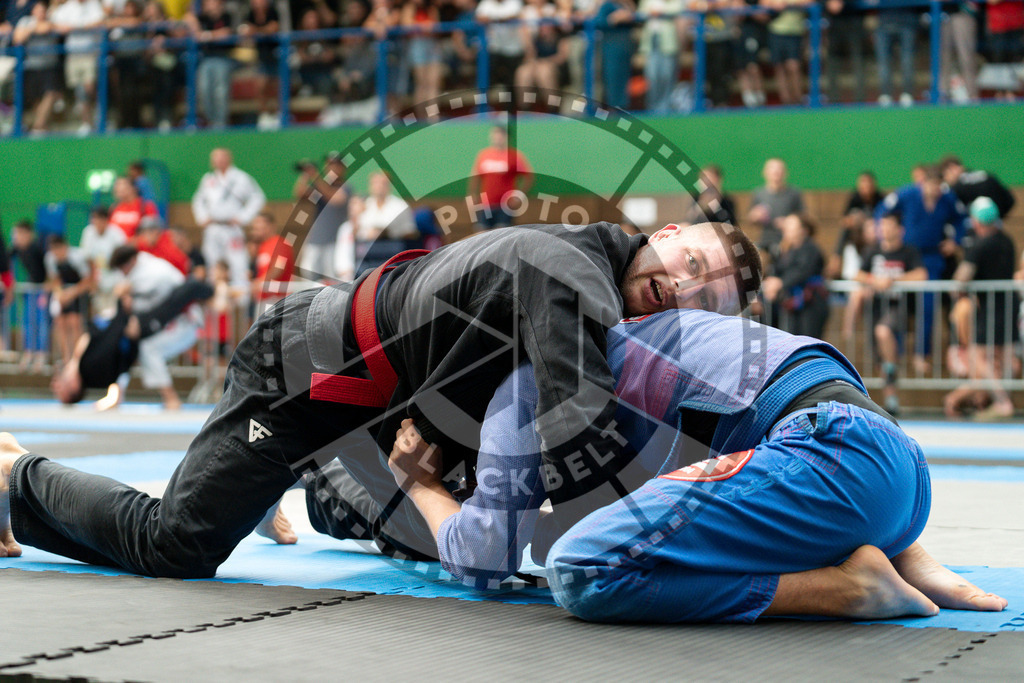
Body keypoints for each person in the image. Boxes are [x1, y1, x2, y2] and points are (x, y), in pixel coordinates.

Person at [0, 221, 762, 576]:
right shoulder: (573, 274)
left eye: (705, 295)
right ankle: (18, 475)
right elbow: (581, 432)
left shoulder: (596, 289)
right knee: (176, 544)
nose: (681, 284)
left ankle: (286, 481)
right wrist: (710, 531)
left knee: (399, 519)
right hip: (302, 374)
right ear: (663, 233)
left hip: (382, 406)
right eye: (689, 258)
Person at [382, 306, 1006, 623]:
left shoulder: (527, 379)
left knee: (582, 568)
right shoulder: (630, 336)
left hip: (831, 462)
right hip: (891, 468)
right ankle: (899, 550)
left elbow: (484, 557)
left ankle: (843, 587)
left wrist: (423, 485)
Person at [50, 272, 214, 408]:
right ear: (74, 387)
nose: (55, 384)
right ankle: (207, 289)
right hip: (132, 330)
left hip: (127, 327)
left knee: (169, 303)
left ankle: (201, 288)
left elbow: (102, 338)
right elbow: (113, 344)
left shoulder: (83, 365)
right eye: (59, 390)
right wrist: (123, 311)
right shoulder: (91, 369)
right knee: (171, 305)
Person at [874, 166, 967, 371]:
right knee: (897, 302)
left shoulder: (947, 197)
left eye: (938, 187)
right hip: (905, 255)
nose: (935, 191)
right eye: (931, 186)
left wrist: (955, 241)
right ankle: (893, 355)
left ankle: (921, 353)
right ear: (923, 183)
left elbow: (962, 219)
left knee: (928, 304)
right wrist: (883, 236)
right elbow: (882, 209)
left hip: (932, 257)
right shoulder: (907, 193)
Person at [944, 197, 1019, 420]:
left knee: (978, 356)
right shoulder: (1007, 241)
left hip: (990, 307)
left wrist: (957, 288)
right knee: (1006, 359)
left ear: (976, 221)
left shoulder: (980, 244)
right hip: (1008, 303)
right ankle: (1003, 399)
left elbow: (961, 279)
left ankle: (1002, 401)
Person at [855, 213, 928, 416]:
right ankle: (891, 399)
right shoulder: (872, 251)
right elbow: (857, 273)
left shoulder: (908, 252)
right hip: (876, 308)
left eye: (890, 226)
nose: (885, 229)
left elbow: (921, 275)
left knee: (883, 331)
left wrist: (894, 281)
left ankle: (890, 367)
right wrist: (873, 280)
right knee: (879, 356)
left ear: (899, 230)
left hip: (899, 307)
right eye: (882, 226)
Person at [191, 148, 267, 294]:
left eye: (221, 157)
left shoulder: (241, 178)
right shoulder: (209, 179)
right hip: (212, 227)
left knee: (238, 264)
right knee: (212, 265)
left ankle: (241, 302)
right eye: (215, 158)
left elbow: (257, 197)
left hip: (232, 228)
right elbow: (198, 200)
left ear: (229, 159)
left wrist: (243, 217)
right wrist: (202, 217)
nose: (218, 161)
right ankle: (215, 300)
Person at [759, 214, 829, 339]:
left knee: (808, 341)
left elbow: (803, 271)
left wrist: (780, 283)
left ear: (803, 230)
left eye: (791, 225)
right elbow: (778, 270)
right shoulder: (787, 250)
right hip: (794, 305)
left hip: (811, 304)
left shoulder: (810, 248)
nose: (786, 228)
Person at [292, 152, 350, 282]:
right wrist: (306, 175)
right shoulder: (320, 187)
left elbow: (335, 199)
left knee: (332, 278)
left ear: (342, 168)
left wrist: (316, 177)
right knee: (308, 276)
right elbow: (300, 194)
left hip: (334, 242)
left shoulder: (345, 187)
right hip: (315, 240)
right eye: (329, 165)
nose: (332, 169)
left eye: (335, 165)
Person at [49, 0, 105, 135]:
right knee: (80, 91)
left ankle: (100, 115)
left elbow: (100, 22)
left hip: (90, 53)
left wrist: (77, 27)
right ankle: (87, 123)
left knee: (89, 87)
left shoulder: (94, 4)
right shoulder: (68, 6)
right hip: (73, 54)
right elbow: (54, 23)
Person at [467, 126, 535, 230]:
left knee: (501, 236)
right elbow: (474, 177)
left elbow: (528, 177)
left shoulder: (514, 156)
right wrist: (472, 196)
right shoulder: (484, 155)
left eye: (500, 135)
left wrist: (518, 196)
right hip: (485, 205)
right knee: (481, 233)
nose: (497, 138)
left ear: (506, 137)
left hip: (504, 205)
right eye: (494, 135)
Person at [187, 0, 235, 128]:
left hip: (222, 58)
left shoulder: (227, 16)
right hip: (206, 59)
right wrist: (210, 35)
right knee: (204, 90)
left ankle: (221, 123)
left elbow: (226, 33)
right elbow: (195, 34)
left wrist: (206, 35)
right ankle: (212, 121)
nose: (210, 4)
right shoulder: (202, 18)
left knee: (221, 91)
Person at [9, 220, 49, 372]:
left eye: (19, 234)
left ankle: (40, 354)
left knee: (40, 323)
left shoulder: (37, 249)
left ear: (28, 234)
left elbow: (48, 272)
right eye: (15, 234)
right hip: (29, 291)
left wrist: (45, 291)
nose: (17, 237)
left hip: (41, 291)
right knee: (27, 322)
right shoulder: (18, 249)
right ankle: (28, 352)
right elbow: (6, 258)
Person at [44, 235, 90, 366]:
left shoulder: (77, 257)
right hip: (64, 295)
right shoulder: (50, 258)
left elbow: (87, 281)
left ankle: (77, 359)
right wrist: (59, 294)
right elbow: (55, 279)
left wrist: (72, 293)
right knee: (60, 324)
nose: (56, 254)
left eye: (58, 250)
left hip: (78, 294)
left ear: (65, 247)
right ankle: (66, 358)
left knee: (75, 323)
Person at [747, 158, 804, 264]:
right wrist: (755, 216)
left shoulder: (794, 194)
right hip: (765, 241)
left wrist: (789, 223)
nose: (776, 173)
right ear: (765, 172)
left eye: (779, 169)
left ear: (785, 173)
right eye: (773, 169)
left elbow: (803, 218)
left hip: (788, 243)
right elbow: (751, 219)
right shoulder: (759, 194)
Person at [637, 0, 683, 114]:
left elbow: (678, 8)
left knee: (667, 74)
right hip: (651, 40)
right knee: (652, 75)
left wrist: (660, 11)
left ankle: (665, 107)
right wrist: (651, 12)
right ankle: (653, 107)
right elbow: (640, 13)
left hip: (668, 41)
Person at [78, 206, 127, 311]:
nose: (97, 222)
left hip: (115, 278)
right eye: (94, 219)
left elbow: (123, 259)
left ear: (106, 220)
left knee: (114, 311)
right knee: (99, 312)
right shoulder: (88, 233)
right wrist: (92, 280)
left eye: (100, 219)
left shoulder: (117, 234)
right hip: (98, 279)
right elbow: (88, 258)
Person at [939, 155, 1016, 220]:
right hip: (994, 224)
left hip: (974, 227)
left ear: (952, 168)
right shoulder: (987, 176)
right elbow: (1010, 200)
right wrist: (996, 218)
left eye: (945, 174)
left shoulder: (957, 187)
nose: (946, 179)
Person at [250, 211, 295, 313]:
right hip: (264, 299)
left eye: (259, 225)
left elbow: (279, 268)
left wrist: (259, 282)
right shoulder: (263, 246)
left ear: (270, 226)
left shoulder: (280, 244)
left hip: (277, 299)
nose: (255, 229)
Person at [765, 0, 809, 105]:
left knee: (794, 66)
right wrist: (774, 4)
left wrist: (789, 4)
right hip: (776, 30)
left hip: (795, 31)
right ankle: (786, 100)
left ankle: (798, 99)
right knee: (779, 66)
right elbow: (764, 2)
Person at [358, 171, 417, 241]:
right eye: (375, 183)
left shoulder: (401, 206)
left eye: (382, 183)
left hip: (394, 247)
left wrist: (389, 234)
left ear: (389, 185)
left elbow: (410, 231)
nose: (378, 186)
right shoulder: (363, 205)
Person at [109, 176, 159, 240]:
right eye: (117, 185)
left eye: (122, 184)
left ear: (133, 188)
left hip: (135, 248)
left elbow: (153, 234)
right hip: (116, 248)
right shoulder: (114, 208)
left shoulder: (145, 206)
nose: (118, 188)